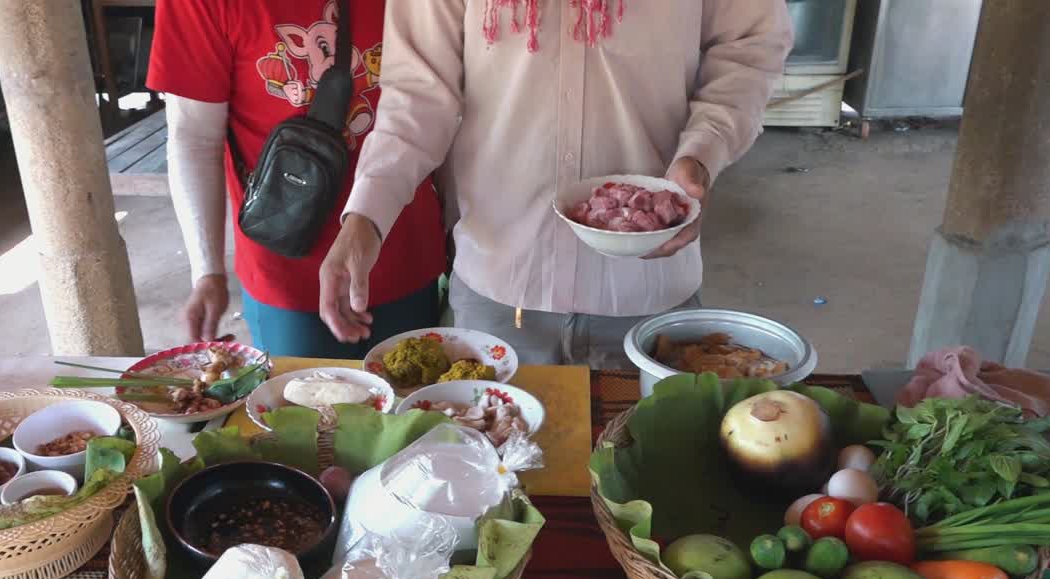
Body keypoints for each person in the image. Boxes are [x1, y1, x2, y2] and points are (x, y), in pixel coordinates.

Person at [320, 1, 793, 368]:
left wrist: (702, 153)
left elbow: (748, 52)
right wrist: (365, 218)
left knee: (640, 480)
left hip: (649, 287)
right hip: (501, 285)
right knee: (498, 481)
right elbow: (418, 96)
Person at [148, 0, 447, 358]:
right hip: (286, 268)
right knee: (303, 407)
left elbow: (440, 106)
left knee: (416, 406)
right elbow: (195, 137)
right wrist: (207, 270)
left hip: (406, 251)